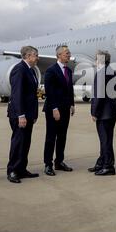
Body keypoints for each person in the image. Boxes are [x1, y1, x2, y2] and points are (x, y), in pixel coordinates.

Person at [7, 46, 40, 183]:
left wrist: (34, 114)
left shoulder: (30, 70)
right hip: (19, 114)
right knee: (18, 142)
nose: (37, 58)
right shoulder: (19, 69)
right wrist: (21, 115)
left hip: (29, 114)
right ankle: (13, 171)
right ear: (27, 56)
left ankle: (21, 169)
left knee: (25, 142)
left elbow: (32, 95)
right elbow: (17, 94)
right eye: (35, 55)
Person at [88, 50, 116, 176]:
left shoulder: (102, 72)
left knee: (105, 140)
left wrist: (94, 112)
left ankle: (108, 166)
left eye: (96, 59)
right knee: (105, 139)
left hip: (104, 112)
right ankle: (102, 162)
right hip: (110, 111)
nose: (95, 62)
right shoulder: (111, 70)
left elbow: (99, 95)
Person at [43, 45, 75, 176]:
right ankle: (48, 164)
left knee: (62, 137)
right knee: (51, 137)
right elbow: (49, 92)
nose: (69, 55)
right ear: (59, 55)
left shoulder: (68, 70)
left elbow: (69, 89)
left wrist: (72, 104)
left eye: (69, 53)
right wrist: (54, 108)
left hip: (65, 108)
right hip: (53, 109)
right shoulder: (51, 70)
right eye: (66, 53)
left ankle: (59, 162)